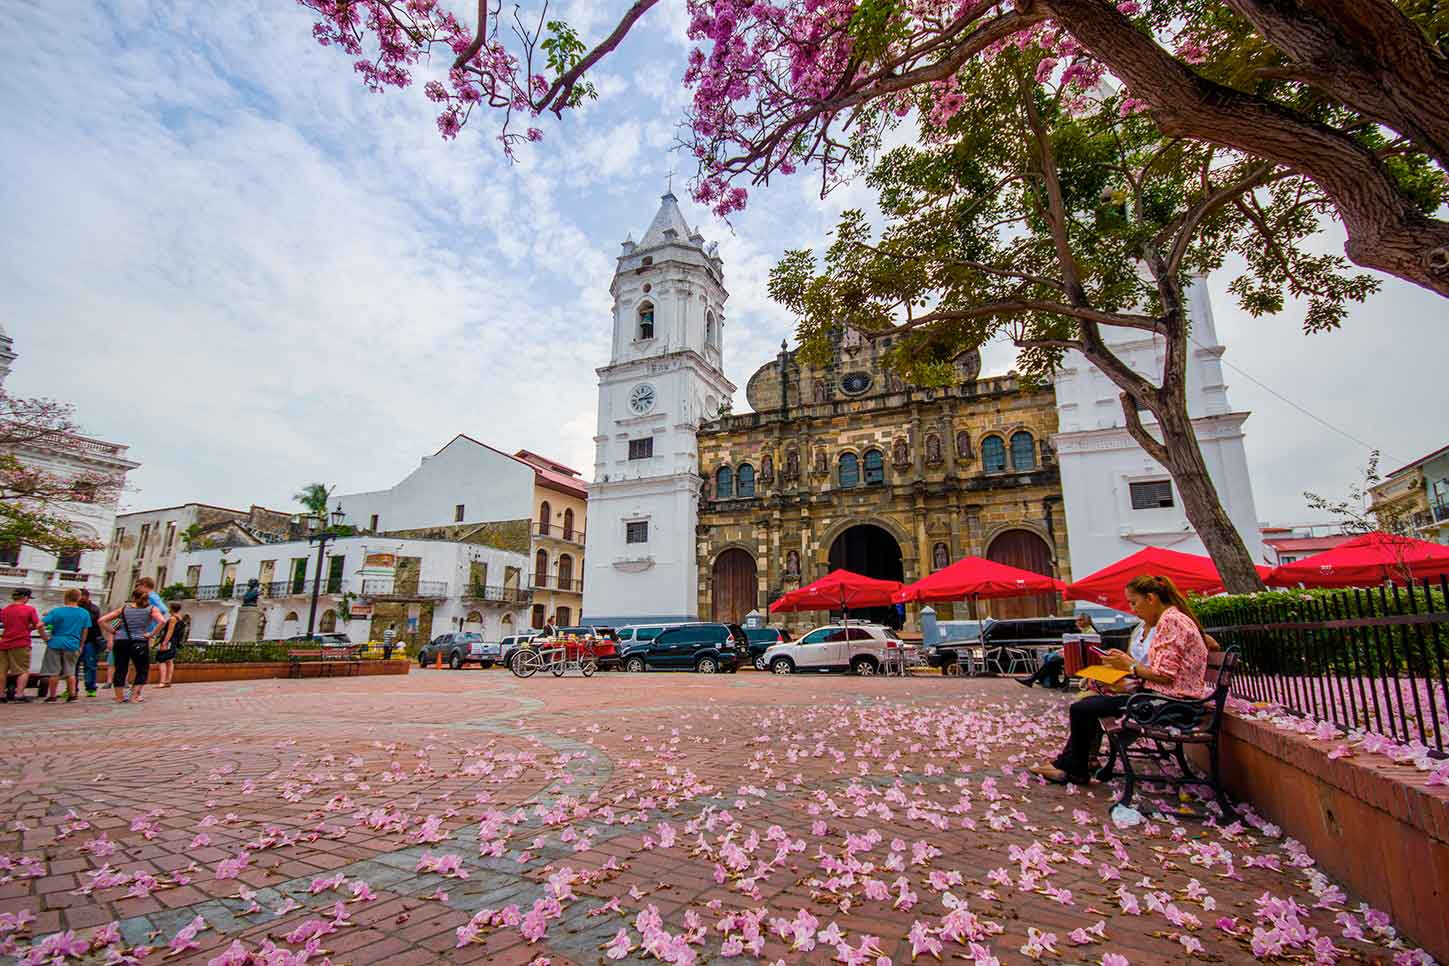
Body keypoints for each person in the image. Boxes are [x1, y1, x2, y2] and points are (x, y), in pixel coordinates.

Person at [1028, 575, 1210, 785]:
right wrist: (1125, 664)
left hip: (1171, 706)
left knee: (1082, 708)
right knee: (1086, 704)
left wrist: (1129, 665)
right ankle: (1070, 765)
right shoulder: (1172, 619)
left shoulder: (1171, 621)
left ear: (1150, 598)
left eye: (1134, 602)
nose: (1133, 609)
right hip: (1167, 701)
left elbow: (1164, 675)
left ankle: (1073, 769)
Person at [100, 589, 166, 704]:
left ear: (133, 598)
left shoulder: (124, 608)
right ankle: (134, 696)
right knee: (142, 669)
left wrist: (113, 631)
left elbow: (101, 620)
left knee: (120, 668)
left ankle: (119, 697)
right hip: (139, 641)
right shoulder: (151, 609)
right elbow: (162, 621)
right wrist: (151, 634)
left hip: (121, 641)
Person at [1018, 614, 1097, 689]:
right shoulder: (1086, 631)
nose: (1076, 622)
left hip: (1080, 660)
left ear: (1084, 621)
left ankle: (1035, 679)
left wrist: (1065, 653)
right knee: (1053, 660)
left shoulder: (1090, 632)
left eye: (1078, 620)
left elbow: (1082, 648)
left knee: (1053, 661)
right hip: (1079, 658)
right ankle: (1045, 680)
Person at [41, 589, 92, 702]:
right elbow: (85, 631)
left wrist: (45, 637)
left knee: (54, 672)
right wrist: (81, 645)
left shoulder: (57, 611)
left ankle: (52, 696)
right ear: (78, 598)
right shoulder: (84, 613)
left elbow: (40, 624)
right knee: (70, 671)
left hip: (55, 642)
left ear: (65, 598)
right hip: (73, 643)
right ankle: (72, 695)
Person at [1, 588, 45, 703]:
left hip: (4, 643)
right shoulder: (29, 609)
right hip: (21, 642)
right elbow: (39, 624)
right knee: (23, 670)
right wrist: (43, 636)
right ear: (25, 597)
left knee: (2, 671)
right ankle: (19, 694)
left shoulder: (5, 610)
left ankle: (1, 694)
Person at [152, 602, 185, 688]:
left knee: (162, 660)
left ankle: (162, 681)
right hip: (174, 642)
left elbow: (170, 631)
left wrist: (165, 642)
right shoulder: (180, 618)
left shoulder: (173, 619)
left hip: (169, 641)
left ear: (171, 608)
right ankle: (168, 681)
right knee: (170, 661)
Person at [77, 589, 103, 697]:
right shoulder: (76, 607)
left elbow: (92, 623)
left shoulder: (93, 609)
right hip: (76, 639)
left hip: (90, 640)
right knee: (74, 665)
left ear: (86, 596)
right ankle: (72, 688)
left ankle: (91, 687)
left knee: (90, 664)